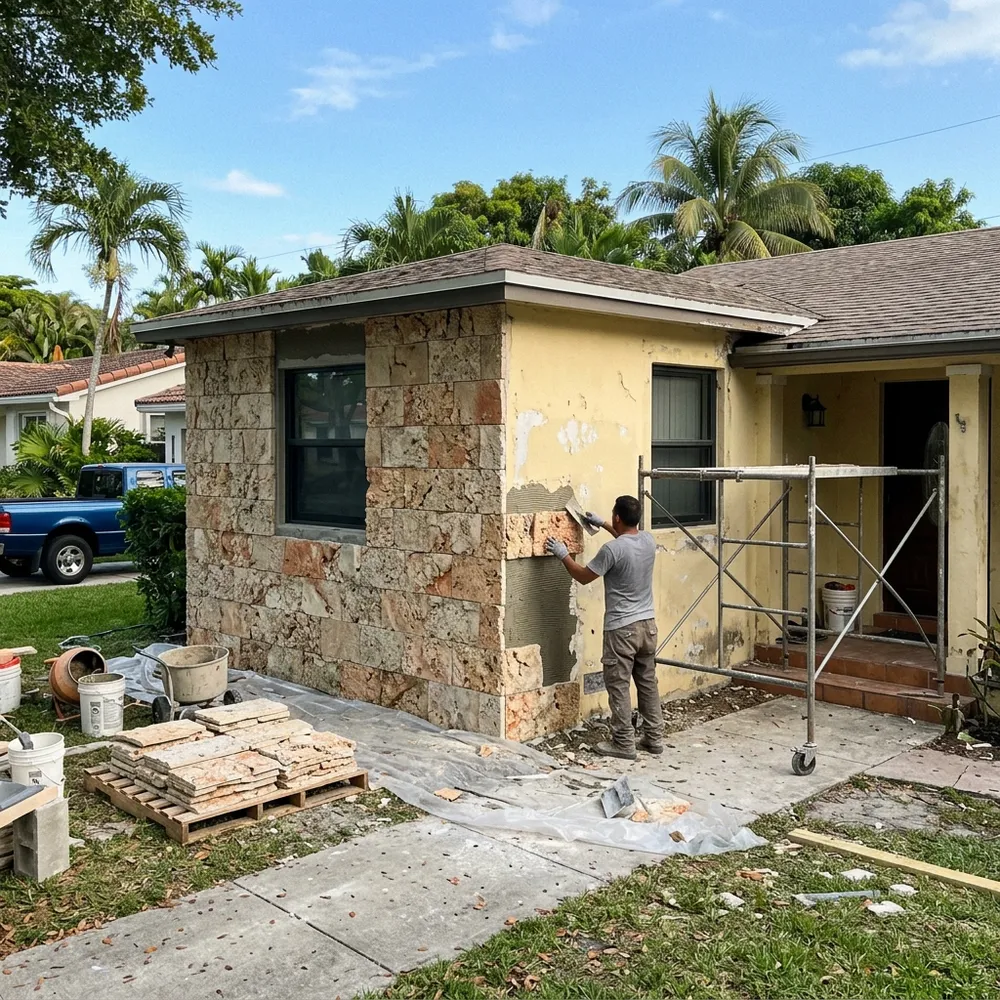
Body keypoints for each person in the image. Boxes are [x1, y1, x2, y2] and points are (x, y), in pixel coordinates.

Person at [544, 495, 663, 760]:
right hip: (648, 627)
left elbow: (584, 577)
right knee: (647, 683)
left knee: (618, 685)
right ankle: (654, 739)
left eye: (612, 516)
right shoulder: (647, 540)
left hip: (622, 630)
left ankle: (623, 743)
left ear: (618, 517)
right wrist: (605, 525)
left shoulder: (612, 551)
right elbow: (626, 539)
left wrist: (564, 555)